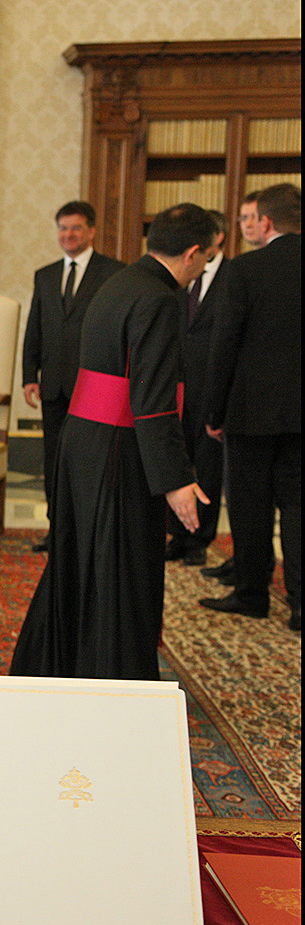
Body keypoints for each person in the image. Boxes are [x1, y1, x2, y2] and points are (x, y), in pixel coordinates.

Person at [11, 203, 217, 682]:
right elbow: (154, 400)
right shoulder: (161, 298)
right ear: (192, 253)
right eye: (206, 258)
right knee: (121, 571)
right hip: (120, 452)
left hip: (84, 442)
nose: (204, 267)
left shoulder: (121, 282)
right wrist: (176, 480)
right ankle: (117, 681)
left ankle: (68, 666)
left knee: (82, 563)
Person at [200, 183, 301, 631]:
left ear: (267, 221)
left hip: (249, 412)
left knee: (250, 507)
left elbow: (225, 343)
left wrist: (214, 411)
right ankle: (301, 605)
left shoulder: (245, 269)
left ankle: (253, 595)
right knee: (298, 507)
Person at [20, 201, 125, 552]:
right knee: (54, 461)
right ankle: (58, 531)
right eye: (63, 228)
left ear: (91, 231)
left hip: (95, 386)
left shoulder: (113, 272)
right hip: (53, 385)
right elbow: (35, 328)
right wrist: (29, 375)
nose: (68, 235)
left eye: (76, 228)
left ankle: (90, 533)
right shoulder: (45, 275)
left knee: (92, 461)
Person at [165, 210, 228, 567]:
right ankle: (176, 533)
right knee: (178, 458)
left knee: (207, 466)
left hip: (210, 386)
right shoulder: (179, 276)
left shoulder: (233, 275)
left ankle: (200, 538)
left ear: (217, 238)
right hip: (176, 383)